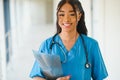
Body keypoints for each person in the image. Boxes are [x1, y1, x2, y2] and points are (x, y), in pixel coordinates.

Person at [29, 0, 108, 80]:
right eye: (62, 14)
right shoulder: (47, 45)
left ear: (79, 16)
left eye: (72, 14)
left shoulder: (91, 45)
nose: (66, 19)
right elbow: (37, 76)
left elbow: (99, 77)